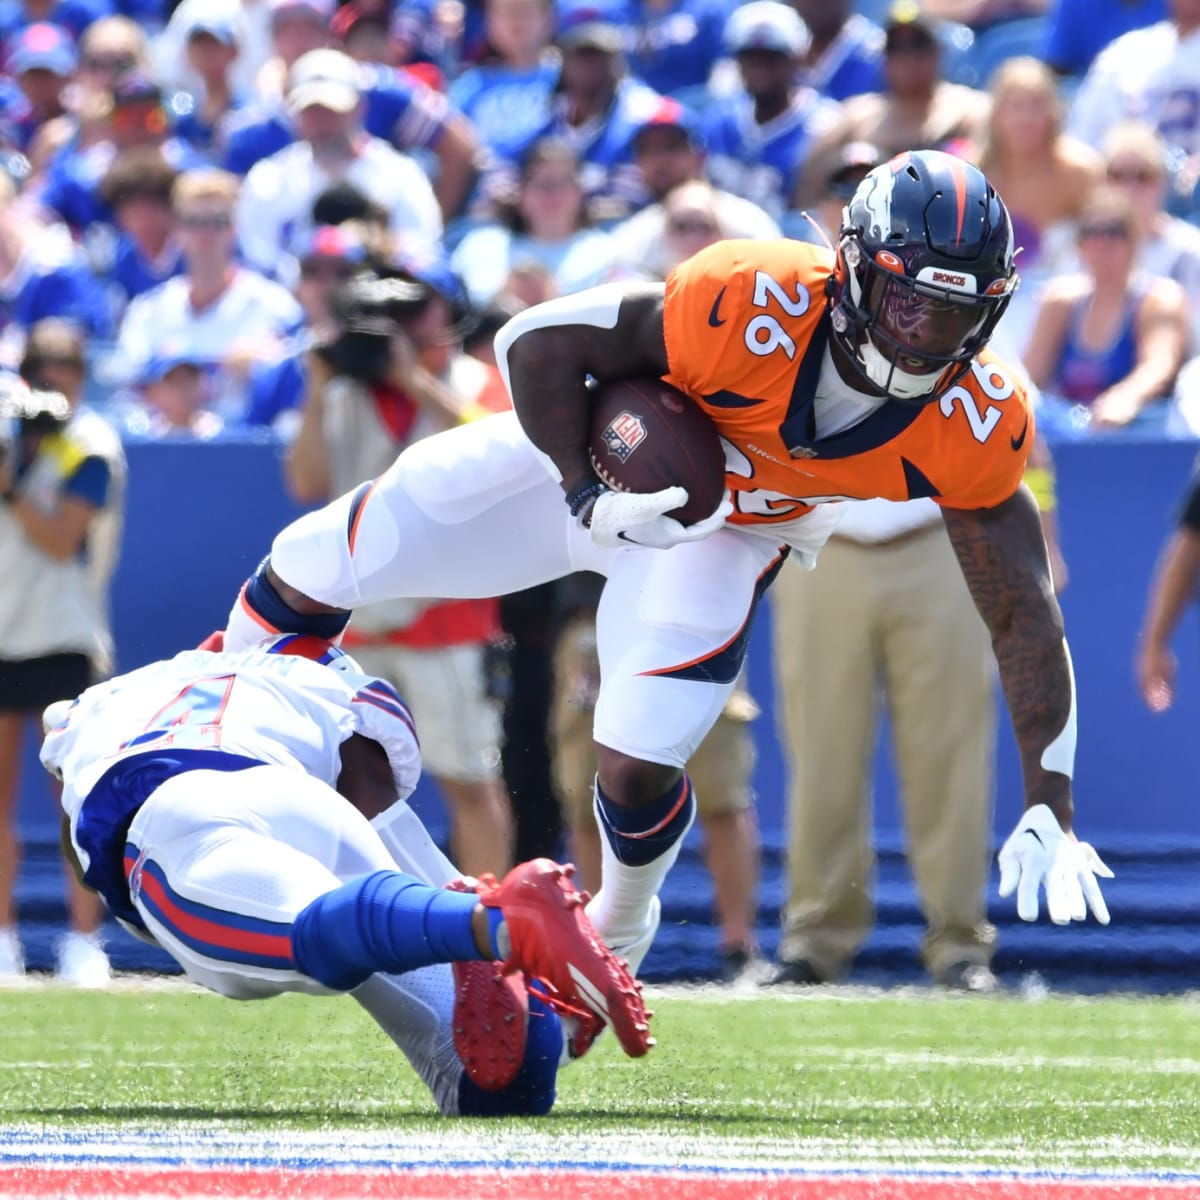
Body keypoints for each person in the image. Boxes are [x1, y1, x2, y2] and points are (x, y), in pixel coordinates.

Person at [218, 149, 1114, 983]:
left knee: (640, 757)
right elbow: (534, 341)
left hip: (725, 531)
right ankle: (216, 717)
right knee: (321, 554)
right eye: (908, 300)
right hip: (598, 460)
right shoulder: (752, 295)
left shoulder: (982, 413)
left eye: (954, 311)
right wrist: (581, 485)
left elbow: (1022, 614)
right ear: (851, 272)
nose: (926, 335)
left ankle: (622, 918)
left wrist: (1052, 800)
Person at [38, 636, 652, 1112]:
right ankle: (516, 954)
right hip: (314, 806)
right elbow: (374, 799)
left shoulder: (97, 702)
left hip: (177, 812)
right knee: (496, 1084)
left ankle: (503, 924)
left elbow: (79, 842)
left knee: (306, 940)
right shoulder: (311, 673)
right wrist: (442, 907)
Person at [286, 259, 516, 877]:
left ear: (446, 313)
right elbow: (305, 480)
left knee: (469, 778)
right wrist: (318, 386)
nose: (399, 325)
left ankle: (488, 931)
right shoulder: (344, 393)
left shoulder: (477, 380)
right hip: (359, 620)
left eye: (414, 309)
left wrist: (414, 381)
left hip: (448, 618)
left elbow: (506, 453)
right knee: (352, 788)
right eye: (384, 313)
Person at [550, 571, 764, 982]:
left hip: (699, 615)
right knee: (586, 798)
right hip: (593, 617)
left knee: (723, 791)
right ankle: (600, 946)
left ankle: (741, 947)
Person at [0, 356, 125, 986]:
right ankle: (2, 942)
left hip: (64, 638)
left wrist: (12, 485)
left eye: (69, 372)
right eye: (42, 373)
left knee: (72, 804)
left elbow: (59, 537)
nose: (55, 387)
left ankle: (84, 942)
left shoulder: (91, 443)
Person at [1022, 188, 1188, 431]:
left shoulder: (1159, 298)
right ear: (1080, 244)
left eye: (1113, 232)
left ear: (1134, 240)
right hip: (1071, 436)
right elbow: (1029, 379)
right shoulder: (1060, 301)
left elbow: (1158, 365)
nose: (1102, 242)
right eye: (1091, 232)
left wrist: (1125, 399)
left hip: (1135, 434)